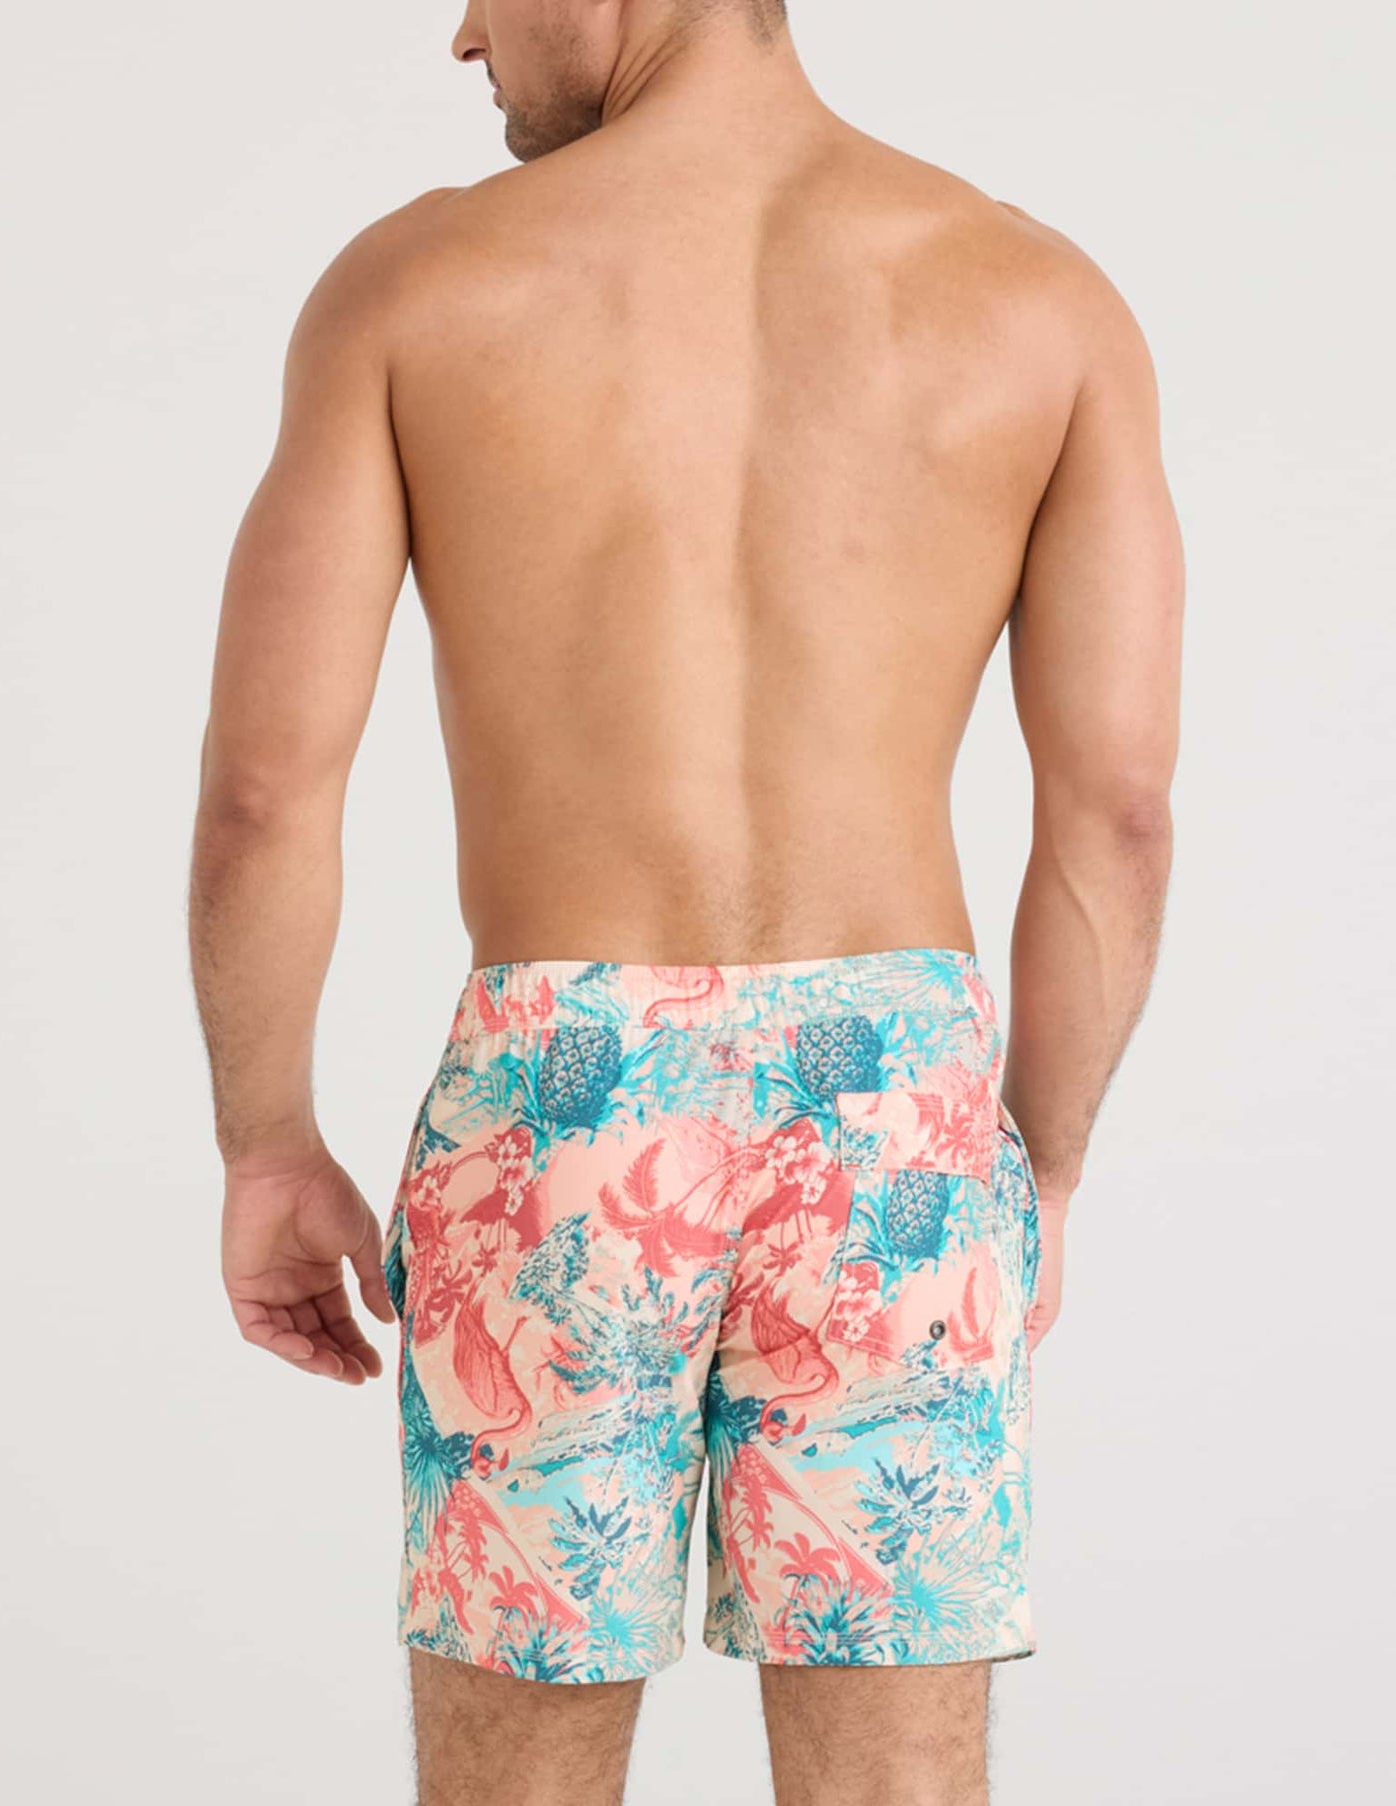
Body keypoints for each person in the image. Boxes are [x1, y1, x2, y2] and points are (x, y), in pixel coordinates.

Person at [188, 2, 1183, 1800]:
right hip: (897, 1107)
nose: (466, 33)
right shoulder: (1040, 300)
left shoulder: (415, 287)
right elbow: (1113, 814)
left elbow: (266, 793)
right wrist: (1028, 1166)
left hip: (558, 1101)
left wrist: (265, 1140)